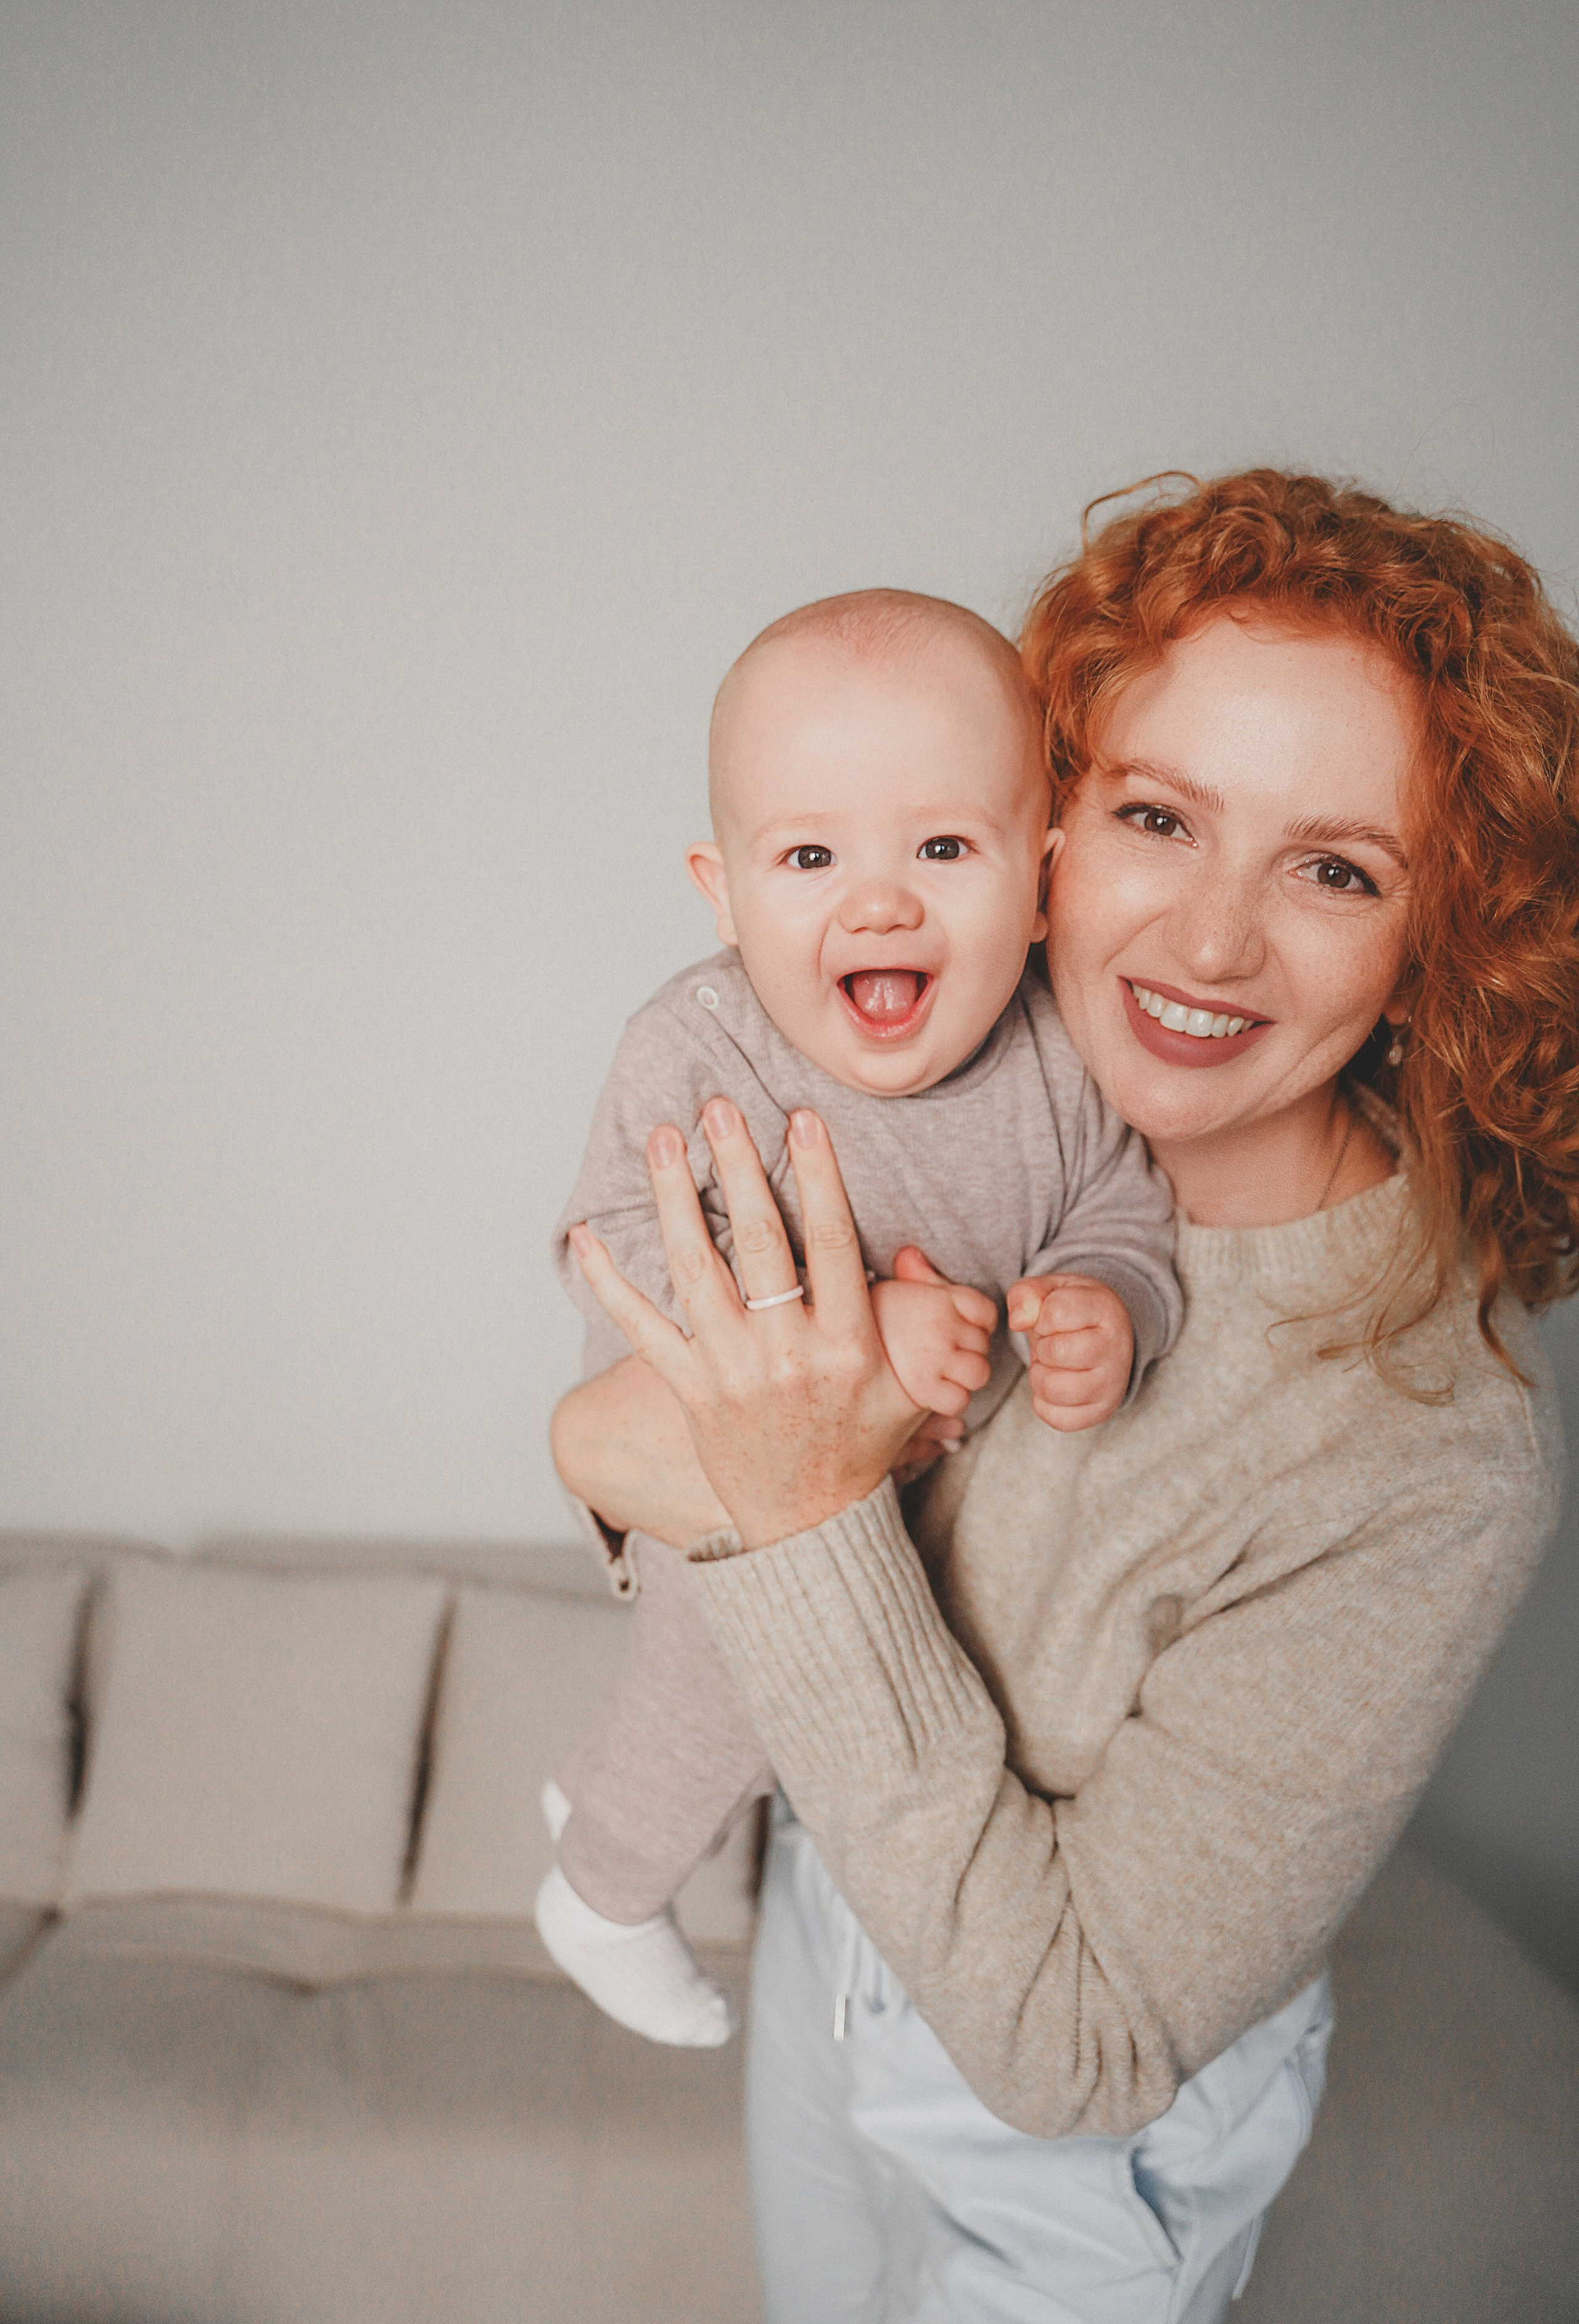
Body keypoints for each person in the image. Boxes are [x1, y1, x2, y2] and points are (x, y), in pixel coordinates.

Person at [553, 469, 1578, 2323]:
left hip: (1075, 2161)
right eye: (1158, 818)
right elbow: (610, 1436)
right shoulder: (963, 1102)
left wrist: (762, 1477)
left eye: (1336, 869)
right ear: (1052, 836)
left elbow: (1076, 2046)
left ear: (1442, 942)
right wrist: (623, 1440)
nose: (1208, 942)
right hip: (821, 1937)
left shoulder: (1432, 1451)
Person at [540, 589, 1182, 2048]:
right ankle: (603, 1888)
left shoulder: (1066, 1059)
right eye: (809, 856)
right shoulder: (697, 1045)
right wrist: (854, 1331)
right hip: (714, 1460)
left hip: (913, 1486)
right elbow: (611, 1242)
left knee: (876, 1689)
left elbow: (1120, 1205)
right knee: (742, 1687)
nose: (878, 903)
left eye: (941, 849)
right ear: (721, 892)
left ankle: (590, 1795)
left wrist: (1112, 1302)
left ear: (1042, 879)